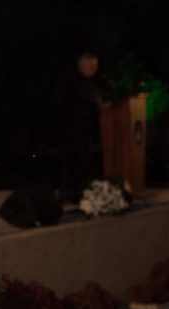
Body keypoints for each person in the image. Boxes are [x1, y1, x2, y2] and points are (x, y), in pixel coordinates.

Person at [60, 51, 108, 201]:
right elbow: (79, 106)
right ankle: (73, 193)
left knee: (85, 164)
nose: (96, 68)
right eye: (93, 65)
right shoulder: (73, 82)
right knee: (76, 164)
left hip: (87, 133)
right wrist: (98, 107)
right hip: (76, 132)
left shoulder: (91, 83)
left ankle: (82, 191)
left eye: (97, 65)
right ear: (84, 64)